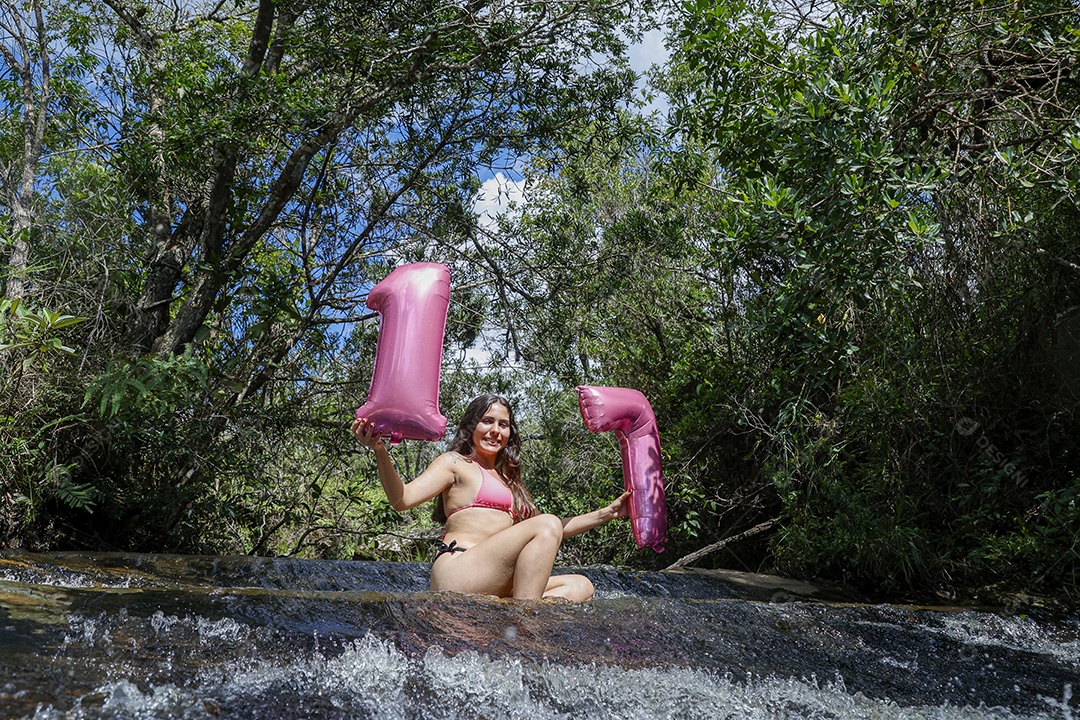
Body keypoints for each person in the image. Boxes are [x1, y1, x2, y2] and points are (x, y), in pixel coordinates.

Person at [351, 393, 631, 601]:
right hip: (460, 569)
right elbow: (402, 499)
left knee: (581, 586)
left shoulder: (510, 482)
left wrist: (608, 513)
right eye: (487, 421)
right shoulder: (455, 463)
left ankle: (513, 610)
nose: (496, 431)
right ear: (472, 426)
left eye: (503, 424)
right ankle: (526, 624)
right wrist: (380, 451)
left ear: (510, 433)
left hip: (495, 578)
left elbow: (555, 528)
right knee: (546, 524)